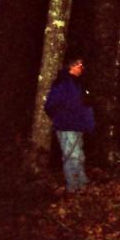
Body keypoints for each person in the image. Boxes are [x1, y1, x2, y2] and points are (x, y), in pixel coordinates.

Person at [44, 55, 95, 193]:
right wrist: (62, 118)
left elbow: (86, 105)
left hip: (79, 126)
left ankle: (82, 184)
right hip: (67, 126)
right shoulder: (62, 83)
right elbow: (50, 105)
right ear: (72, 66)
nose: (82, 68)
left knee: (79, 155)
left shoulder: (79, 84)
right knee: (71, 156)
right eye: (80, 65)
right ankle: (73, 188)